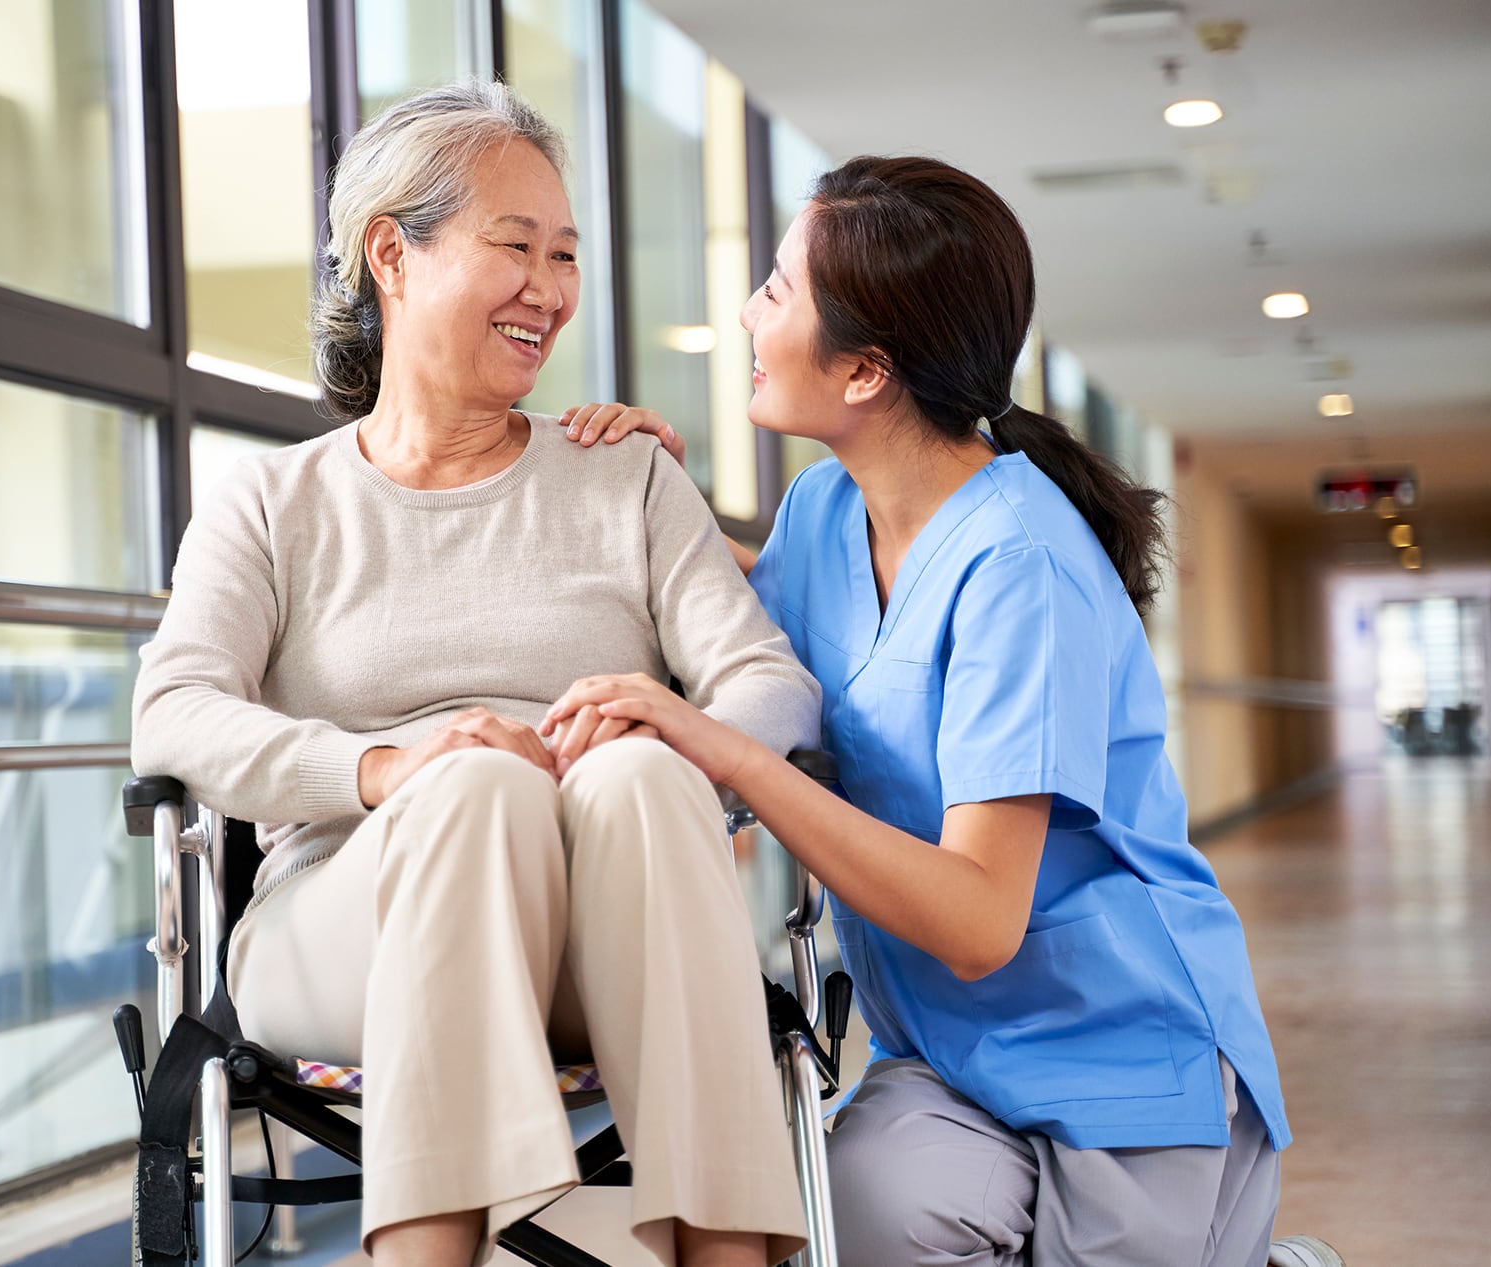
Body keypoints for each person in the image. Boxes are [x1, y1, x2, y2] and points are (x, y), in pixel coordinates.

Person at [547, 156, 1301, 1266]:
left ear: (863, 372)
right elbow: (752, 637)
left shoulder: (1021, 567)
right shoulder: (821, 510)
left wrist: (728, 755)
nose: (751, 311)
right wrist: (646, 498)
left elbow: (978, 918)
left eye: (776, 289)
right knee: (867, 1210)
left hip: (1123, 1057)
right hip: (952, 1055)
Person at [130, 82, 818, 1267]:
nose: (549, 290)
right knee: (474, 788)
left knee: (646, 778)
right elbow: (175, 714)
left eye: (565, 256)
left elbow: (772, 685)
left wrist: (657, 731)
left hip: (605, 936)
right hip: (348, 926)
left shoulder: (626, 478)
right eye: (515, 247)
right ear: (391, 254)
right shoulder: (272, 500)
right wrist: (391, 767)